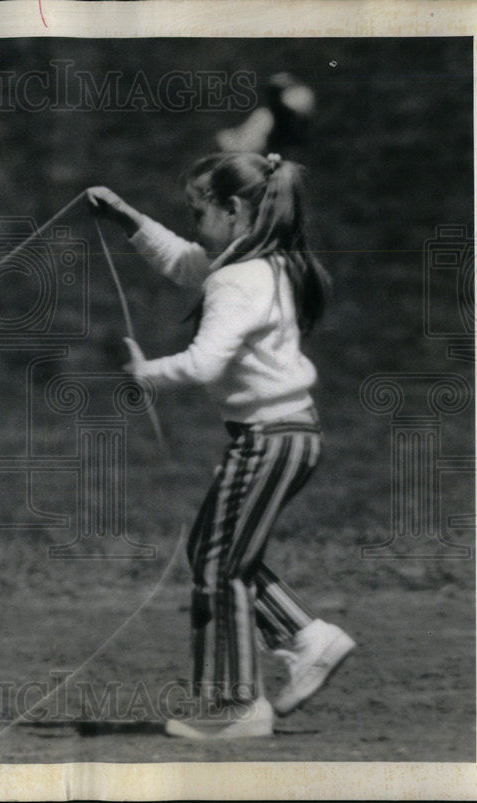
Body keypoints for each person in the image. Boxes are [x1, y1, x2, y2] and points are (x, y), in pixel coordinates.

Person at [87, 152, 354, 740]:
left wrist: (146, 373)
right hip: (287, 435)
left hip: (268, 439)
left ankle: (238, 706)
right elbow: (186, 262)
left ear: (233, 210)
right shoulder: (261, 263)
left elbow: (207, 362)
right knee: (216, 551)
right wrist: (128, 216)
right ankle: (309, 637)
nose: (192, 224)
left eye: (197, 211)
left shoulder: (237, 279)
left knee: (217, 566)